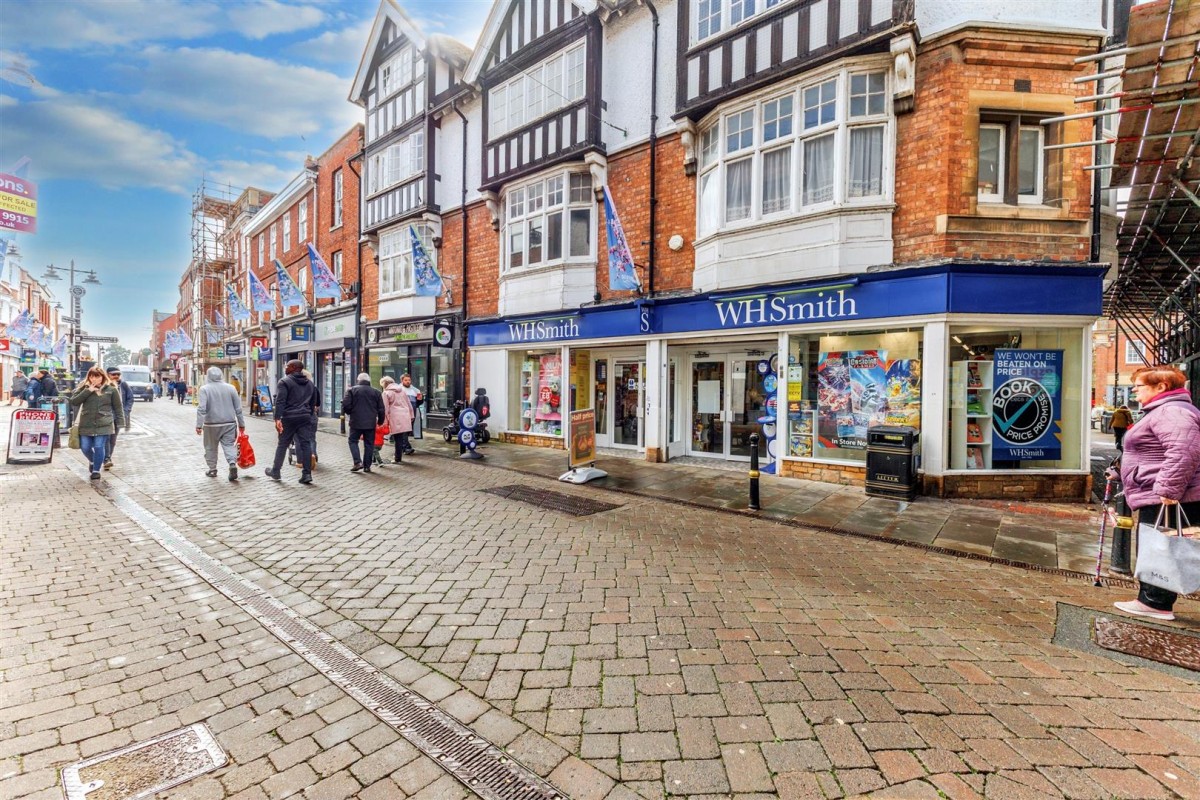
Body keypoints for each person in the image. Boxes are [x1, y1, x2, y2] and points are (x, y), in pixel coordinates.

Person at [1114, 365, 1200, 621]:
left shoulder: (1171, 411)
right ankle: (1153, 600)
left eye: (1139, 386)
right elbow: (1153, 454)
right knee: (1161, 545)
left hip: (1166, 495)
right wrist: (1121, 472)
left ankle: (1154, 602)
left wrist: (1168, 489)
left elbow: (1183, 450)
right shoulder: (1166, 410)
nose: (1134, 390)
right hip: (1160, 490)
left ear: (1161, 387)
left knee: (1161, 546)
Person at [265, 359, 318, 484]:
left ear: (294, 367)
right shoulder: (310, 384)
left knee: (283, 444)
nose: (285, 368)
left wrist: (277, 418)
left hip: (289, 417)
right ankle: (306, 474)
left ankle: (276, 471)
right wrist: (308, 414)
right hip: (305, 417)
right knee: (305, 444)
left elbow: (280, 401)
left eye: (287, 366)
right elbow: (313, 402)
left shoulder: (284, 382)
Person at [69, 366, 124, 480]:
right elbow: (74, 401)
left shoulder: (111, 389)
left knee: (99, 446)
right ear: (88, 377)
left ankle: (96, 470)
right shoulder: (83, 388)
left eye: (97, 376)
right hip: (86, 423)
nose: (94, 379)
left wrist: (120, 422)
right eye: (91, 376)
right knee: (85, 447)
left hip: (104, 423)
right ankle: (93, 461)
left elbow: (118, 407)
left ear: (102, 377)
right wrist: (88, 391)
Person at [196, 367, 246, 481]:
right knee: (229, 445)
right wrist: (241, 424)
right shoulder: (231, 388)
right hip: (229, 423)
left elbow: (202, 408)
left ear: (208, 376)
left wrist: (199, 425)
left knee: (210, 447)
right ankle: (232, 463)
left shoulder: (204, 389)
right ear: (221, 375)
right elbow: (238, 408)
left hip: (211, 425)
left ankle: (212, 470)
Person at [342, 373, 385, 473]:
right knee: (369, 444)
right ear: (369, 381)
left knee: (353, 441)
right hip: (370, 422)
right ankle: (367, 466)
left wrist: (351, 413)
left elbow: (346, 405)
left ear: (358, 380)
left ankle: (357, 462)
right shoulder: (376, 392)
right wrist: (380, 421)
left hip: (356, 421)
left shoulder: (351, 390)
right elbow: (381, 409)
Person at [103, 367, 134, 470]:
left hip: (118, 416)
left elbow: (130, 398)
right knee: (106, 438)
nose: (116, 376)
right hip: (106, 416)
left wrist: (126, 411)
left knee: (113, 439)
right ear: (107, 374)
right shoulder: (104, 385)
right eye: (113, 374)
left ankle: (107, 458)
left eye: (118, 374)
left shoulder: (123, 385)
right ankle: (106, 459)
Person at [381, 376, 414, 463]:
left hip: (395, 417)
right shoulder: (402, 391)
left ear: (385, 384)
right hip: (405, 415)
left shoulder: (386, 393)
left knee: (397, 438)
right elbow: (409, 404)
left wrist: (384, 421)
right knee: (400, 437)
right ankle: (398, 456)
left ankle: (397, 458)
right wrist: (411, 416)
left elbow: (385, 408)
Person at [400, 373, 423, 452]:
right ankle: (406, 447)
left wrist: (420, 399)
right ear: (402, 381)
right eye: (406, 380)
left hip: (412, 413)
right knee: (404, 430)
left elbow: (418, 403)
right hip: (402, 413)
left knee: (408, 430)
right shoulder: (399, 389)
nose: (408, 382)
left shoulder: (415, 390)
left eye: (409, 380)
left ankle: (404, 446)